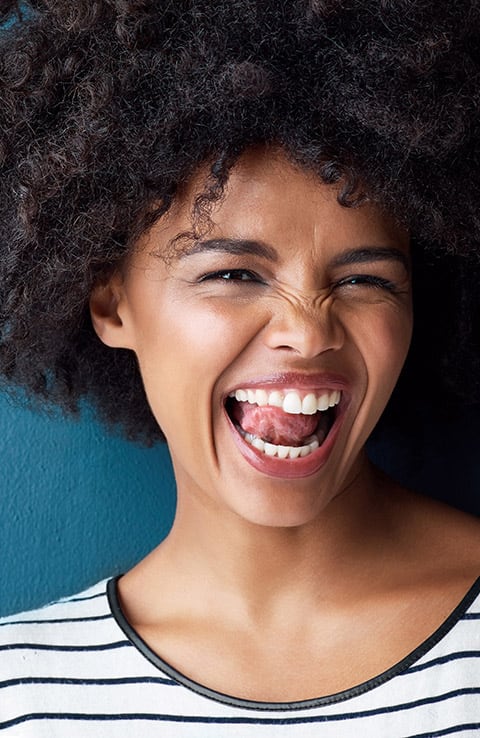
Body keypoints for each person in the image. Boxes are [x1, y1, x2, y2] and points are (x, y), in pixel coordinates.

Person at [1, 1, 480, 735]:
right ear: (111, 302)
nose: (307, 331)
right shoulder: (21, 692)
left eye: (364, 280)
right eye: (234, 274)